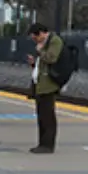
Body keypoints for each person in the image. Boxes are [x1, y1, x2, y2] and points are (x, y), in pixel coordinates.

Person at [27, 23, 64, 154]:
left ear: (42, 33)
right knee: (41, 116)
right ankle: (41, 143)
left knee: (48, 116)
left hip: (49, 85)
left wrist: (40, 51)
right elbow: (42, 64)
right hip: (41, 84)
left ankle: (48, 145)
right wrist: (33, 63)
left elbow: (51, 58)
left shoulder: (55, 41)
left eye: (35, 38)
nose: (35, 41)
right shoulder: (44, 43)